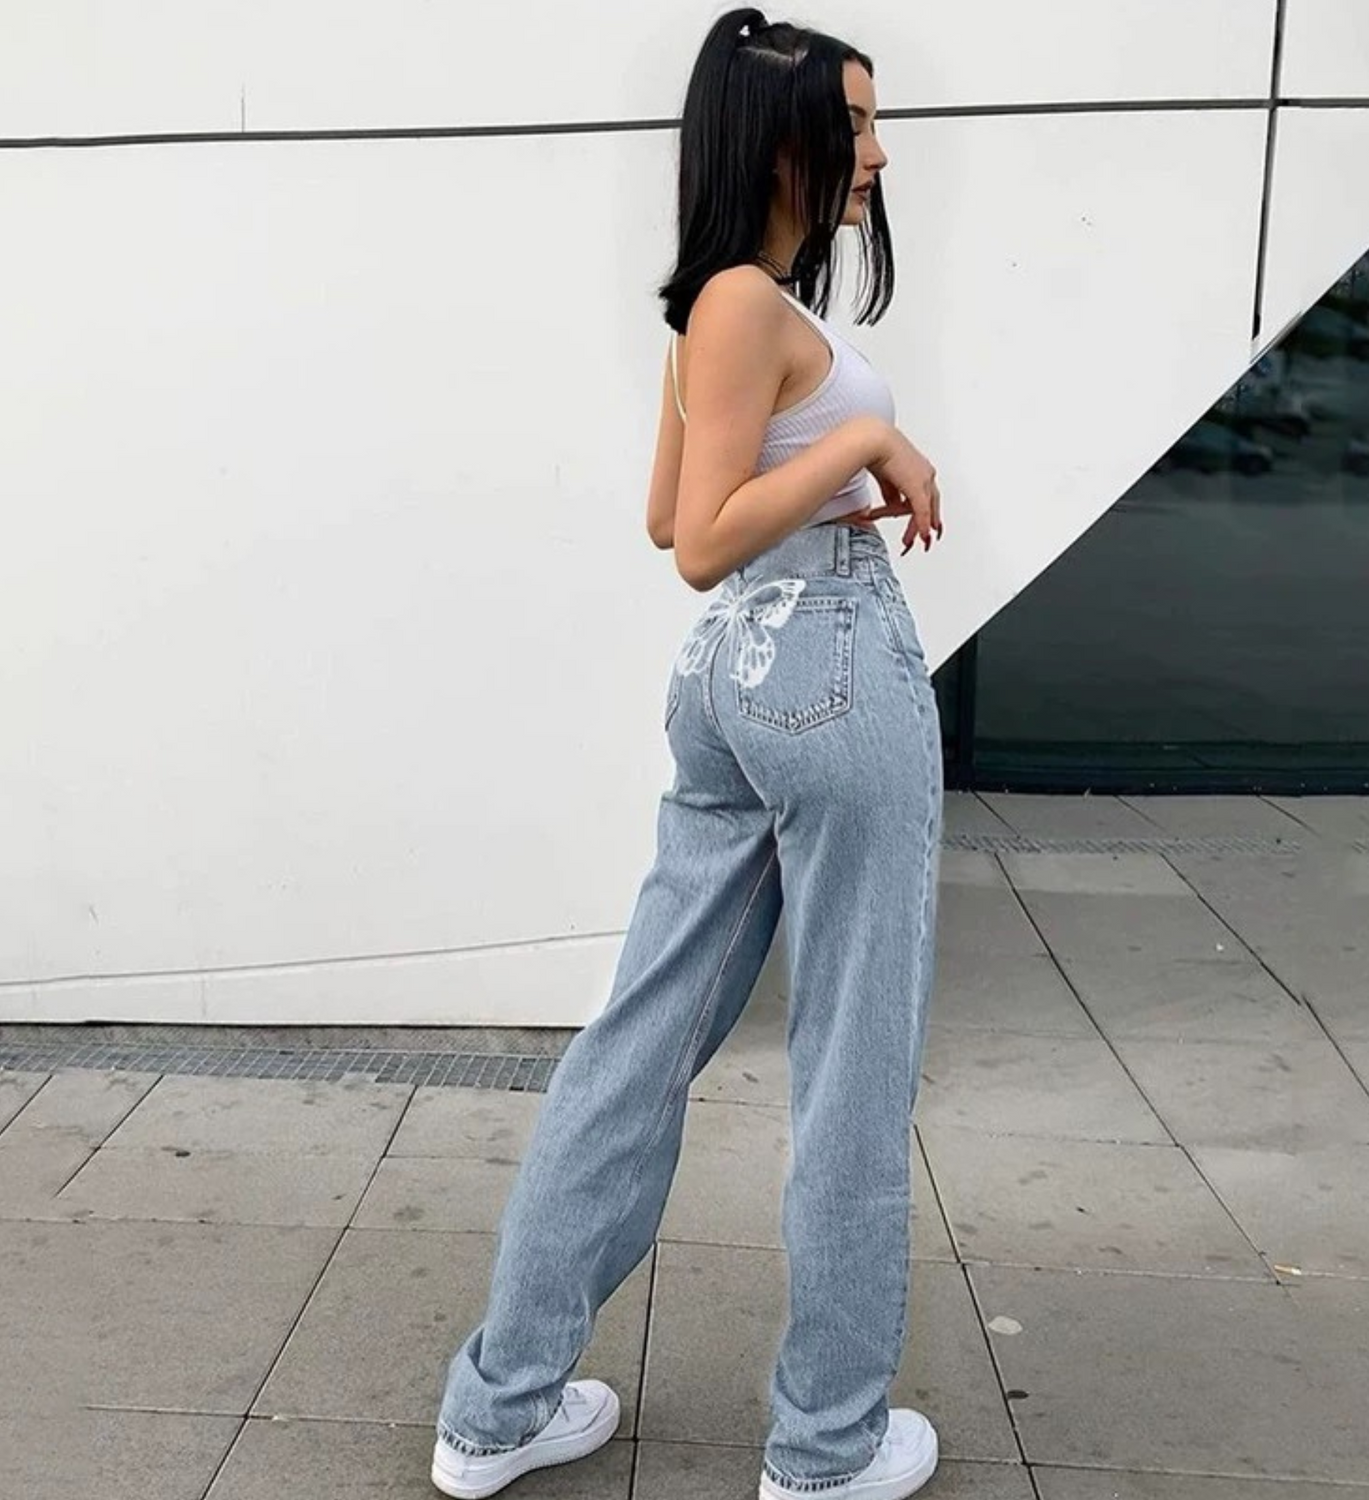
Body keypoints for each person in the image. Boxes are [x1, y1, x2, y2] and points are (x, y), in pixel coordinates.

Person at [431, 10, 945, 1498]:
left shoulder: (715, 307)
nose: (877, 153)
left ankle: (498, 1410)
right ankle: (828, 1446)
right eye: (855, 125)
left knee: (642, 1037)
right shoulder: (741, 304)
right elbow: (700, 543)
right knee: (853, 1063)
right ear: (781, 142)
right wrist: (864, 448)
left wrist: (817, 468)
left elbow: (674, 512)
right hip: (829, 667)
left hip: (733, 684)